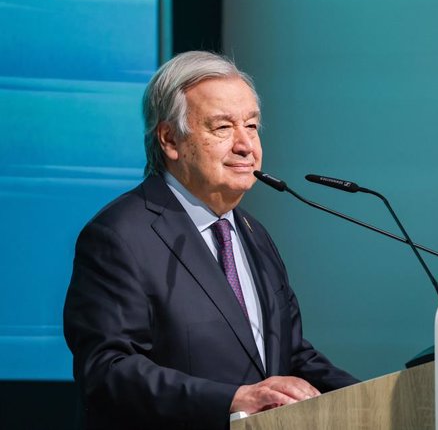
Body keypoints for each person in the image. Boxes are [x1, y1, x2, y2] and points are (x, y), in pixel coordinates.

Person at [63, 51, 358, 429]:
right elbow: (108, 369)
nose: (245, 145)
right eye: (222, 128)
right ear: (170, 139)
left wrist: (383, 400)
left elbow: (291, 355)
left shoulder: (252, 234)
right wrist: (234, 399)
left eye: (251, 126)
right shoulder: (119, 235)